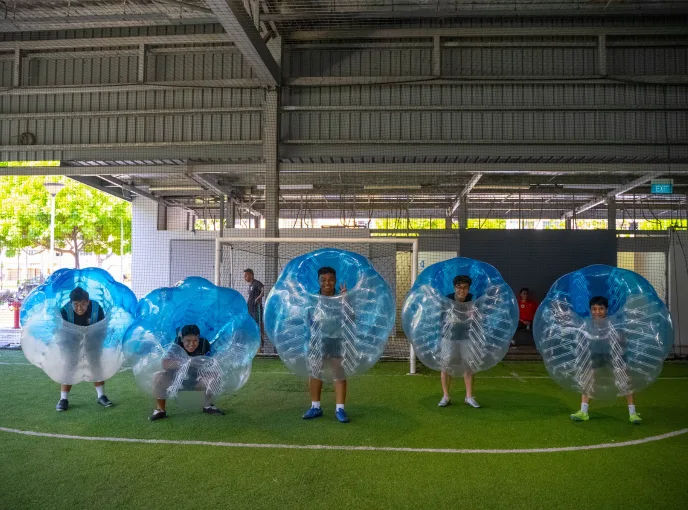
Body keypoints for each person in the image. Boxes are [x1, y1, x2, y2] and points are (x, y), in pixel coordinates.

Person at [570, 296, 642, 424]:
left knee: (625, 381)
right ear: (590, 310)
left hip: (613, 355)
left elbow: (622, 341)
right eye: (594, 309)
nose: (597, 312)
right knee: (587, 380)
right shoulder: (587, 324)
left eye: (601, 309)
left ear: (606, 310)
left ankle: (633, 413)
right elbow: (582, 341)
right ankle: (583, 412)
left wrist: (620, 341)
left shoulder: (613, 324)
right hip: (595, 355)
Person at [302, 266, 350, 423]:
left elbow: (351, 319)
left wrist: (345, 300)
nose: (327, 283)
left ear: (335, 280)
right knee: (315, 372)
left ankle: (340, 409)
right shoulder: (313, 299)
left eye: (330, 279)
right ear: (318, 281)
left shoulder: (341, 298)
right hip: (317, 340)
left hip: (336, 340)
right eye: (323, 280)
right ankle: (315, 407)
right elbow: (306, 319)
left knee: (339, 373)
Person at [149, 324, 225, 421]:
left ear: (199, 338)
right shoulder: (175, 346)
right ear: (182, 339)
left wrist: (200, 363)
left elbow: (212, 362)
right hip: (176, 382)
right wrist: (186, 362)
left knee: (214, 376)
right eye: (188, 341)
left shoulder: (204, 345)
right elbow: (165, 364)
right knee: (158, 377)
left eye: (195, 340)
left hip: (197, 379)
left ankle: (208, 406)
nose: (192, 344)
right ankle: (160, 410)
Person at [56, 286, 111, 411]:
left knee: (96, 366)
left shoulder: (96, 308)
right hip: (72, 342)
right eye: (76, 304)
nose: (79, 308)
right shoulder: (65, 311)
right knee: (69, 367)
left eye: (83, 304)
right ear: (71, 303)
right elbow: (61, 332)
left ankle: (101, 396)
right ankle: (63, 399)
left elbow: (102, 328)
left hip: (92, 341)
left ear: (88, 302)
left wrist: (94, 341)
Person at [438, 275, 480, 409]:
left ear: (468, 288)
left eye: (465, 287)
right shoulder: (447, 300)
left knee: (469, 366)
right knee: (445, 365)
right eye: (459, 287)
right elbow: (440, 319)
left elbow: (479, 319)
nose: (462, 290)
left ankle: (469, 397)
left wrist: (474, 316)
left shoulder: (473, 300)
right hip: (449, 337)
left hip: (467, 338)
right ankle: (446, 396)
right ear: (454, 287)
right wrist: (448, 320)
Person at [244, 269, 265, 349]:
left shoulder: (256, 283)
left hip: (256, 309)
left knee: (259, 326)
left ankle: (262, 345)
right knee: (252, 327)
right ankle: (254, 345)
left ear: (251, 275)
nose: (244, 277)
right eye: (244, 276)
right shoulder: (250, 285)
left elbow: (264, 289)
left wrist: (258, 298)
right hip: (250, 309)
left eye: (246, 275)